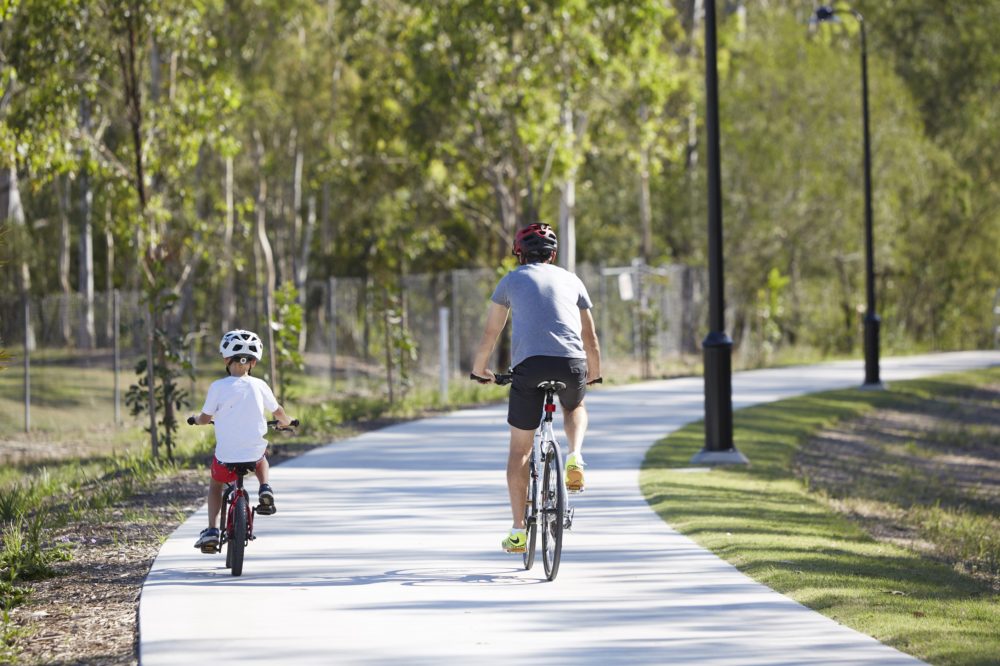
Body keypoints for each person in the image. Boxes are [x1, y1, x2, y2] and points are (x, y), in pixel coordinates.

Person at [472, 223, 602, 553]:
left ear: (520, 253)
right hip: (572, 363)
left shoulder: (511, 280)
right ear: (553, 255)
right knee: (574, 407)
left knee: (520, 450)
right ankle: (574, 456)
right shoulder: (572, 280)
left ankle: (518, 532)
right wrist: (594, 375)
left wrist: (480, 369)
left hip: (529, 369)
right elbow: (591, 339)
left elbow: (491, 333)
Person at [188, 329, 293, 553]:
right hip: (253, 454)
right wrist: (288, 422)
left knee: (216, 484)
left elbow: (206, 418)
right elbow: (278, 412)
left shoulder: (217, 387)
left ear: (226, 359)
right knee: (261, 457)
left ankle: (212, 530)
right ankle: (265, 488)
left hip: (226, 456)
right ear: (253, 362)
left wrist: (198, 420)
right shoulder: (260, 385)